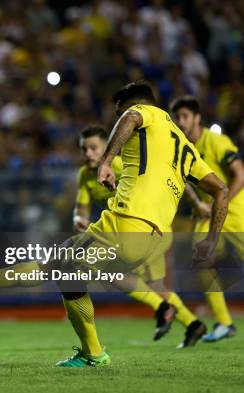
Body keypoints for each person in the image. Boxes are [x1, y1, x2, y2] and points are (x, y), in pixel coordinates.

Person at [0, 81, 230, 367]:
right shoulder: (186, 148)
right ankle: (94, 351)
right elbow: (221, 190)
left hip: (127, 223)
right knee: (67, 273)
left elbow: (131, 116)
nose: (118, 119)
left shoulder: (150, 113)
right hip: (151, 239)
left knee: (61, 263)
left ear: (137, 103)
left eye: (119, 112)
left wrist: (106, 160)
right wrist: (211, 240)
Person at [74, 125, 206, 347]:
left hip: (149, 231)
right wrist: (79, 219)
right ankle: (193, 324)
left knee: (109, 272)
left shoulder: (121, 163)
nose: (89, 154)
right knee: (155, 287)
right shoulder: (85, 175)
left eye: (94, 148)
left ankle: (162, 309)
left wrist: (194, 202)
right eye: (84, 149)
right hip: (132, 235)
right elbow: (81, 207)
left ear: (106, 147)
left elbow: (172, 177)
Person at [170, 95, 243, 342]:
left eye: (185, 116)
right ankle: (224, 322)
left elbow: (240, 175)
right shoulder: (181, 148)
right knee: (201, 259)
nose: (181, 122)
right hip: (209, 215)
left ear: (197, 117)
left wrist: (220, 203)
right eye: (177, 117)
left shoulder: (216, 141)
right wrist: (197, 204)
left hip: (236, 210)